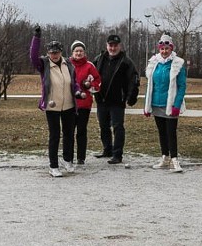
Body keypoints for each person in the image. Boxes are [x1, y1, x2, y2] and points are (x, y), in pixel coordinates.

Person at [30, 26, 83, 177]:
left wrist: (78, 91)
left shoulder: (68, 64)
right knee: (54, 135)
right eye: (52, 52)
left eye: (57, 52)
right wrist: (37, 38)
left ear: (61, 52)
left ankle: (68, 160)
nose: (54, 55)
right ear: (48, 53)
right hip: (52, 106)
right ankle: (53, 166)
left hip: (68, 106)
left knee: (69, 134)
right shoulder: (44, 64)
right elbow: (32, 57)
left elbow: (74, 82)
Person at [143, 33, 187, 173]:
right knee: (162, 132)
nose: (164, 51)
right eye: (162, 49)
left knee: (171, 132)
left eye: (167, 48)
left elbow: (181, 86)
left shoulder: (177, 64)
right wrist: (147, 106)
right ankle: (164, 157)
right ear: (159, 49)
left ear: (171, 49)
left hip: (170, 104)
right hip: (157, 103)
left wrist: (177, 105)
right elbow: (150, 85)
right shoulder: (154, 63)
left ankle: (174, 159)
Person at [93, 34, 140, 164]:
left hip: (117, 101)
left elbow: (133, 81)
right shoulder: (99, 59)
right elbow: (91, 76)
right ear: (106, 46)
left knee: (118, 127)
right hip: (101, 100)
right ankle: (107, 149)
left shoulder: (126, 62)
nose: (113, 48)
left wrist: (131, 97)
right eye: (110, 45)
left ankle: (117, 154)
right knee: (103, 126)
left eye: (115, 45)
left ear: (120, 46)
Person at [68, 41, 101, 167]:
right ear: (72, 52)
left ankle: (81, 157)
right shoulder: (67, 64)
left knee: (81, 131)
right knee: (69, 131)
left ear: (84, 52)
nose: (78, 53)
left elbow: (98, 81)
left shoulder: (89, 66)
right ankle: (68, 157)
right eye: (76, 51)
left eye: (81, 51)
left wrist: (89, 85)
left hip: (84, 104)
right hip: (69, 104)